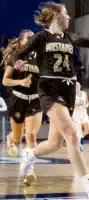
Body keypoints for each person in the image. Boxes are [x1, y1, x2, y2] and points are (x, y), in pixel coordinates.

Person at [13, 2, 89, 199]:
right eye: (66, 14)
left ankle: (29, 155)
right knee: (72, 134)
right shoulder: (42, 37)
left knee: (55, 143)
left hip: (69, 90)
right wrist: (17, 61)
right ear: (56, 15)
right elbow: (18, 55)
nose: (69, 18)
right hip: (49, 89)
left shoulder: (70, 37)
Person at [1, 29, 43, 186]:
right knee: (18, 138)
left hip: (35, 100)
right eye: (30, 39)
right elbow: (5, 81)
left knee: (31, 135)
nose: (33, 41)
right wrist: (20, 82)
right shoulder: (15, 57)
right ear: (22, 42)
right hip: (18, 99)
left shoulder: (41, 57)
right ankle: (10, 139)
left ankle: (29, 171)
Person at [72, 82, 89, 152]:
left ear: (80, 87)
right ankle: (80, 145)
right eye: (75, 87)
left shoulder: (84, 93)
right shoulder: (72, 95)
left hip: (84, 113)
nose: (76, 88)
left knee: (88, 130)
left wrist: (85, 105)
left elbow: (87, 102)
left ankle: (79, 140)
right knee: (78, 131)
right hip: (75, 115)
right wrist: (76, 105)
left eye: (77, 87)